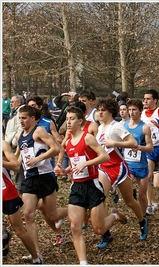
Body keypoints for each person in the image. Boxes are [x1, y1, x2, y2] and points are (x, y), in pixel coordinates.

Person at [54, 106, 127, 265]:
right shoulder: (68, 143)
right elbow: (76, 164)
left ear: (80, 121)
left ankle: (115, 215)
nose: (68, 122)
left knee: (99, 230)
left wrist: (87, 163)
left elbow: (105, 156)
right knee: (75, 227)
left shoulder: (87, 138)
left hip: (93, 185)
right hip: (77, 187)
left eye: (72, 119)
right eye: (67, 119)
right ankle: (83, 262)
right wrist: (65, 171)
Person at [95, 98, 148, 248]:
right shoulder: (100, 128)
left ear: (110, 111)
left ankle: (142, 221)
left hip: (119, 167)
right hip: (104, 168)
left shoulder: (116, 127)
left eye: (102, 110)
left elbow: (133, 143)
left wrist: (114, 143)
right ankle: (106, 234)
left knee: (129, 201)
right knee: (100, 199)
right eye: (98, 109)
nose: (99, 112)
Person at [15, 105, 61, 260]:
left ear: (33, 118)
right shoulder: (19, 136)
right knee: (28, 215)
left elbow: (56, 148)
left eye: (24, 118)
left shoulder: (39, 131)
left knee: (52, 215)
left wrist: (38, 159)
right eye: (19, 118)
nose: (21, 121)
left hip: (45, 176)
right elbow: (18, 160)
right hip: (29, 179)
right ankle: (36, 254)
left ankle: (77, 209)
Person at [2, 140, 43, 264]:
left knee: (19, 230)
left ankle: (36, 258)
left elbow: (15, 166)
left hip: (7, 193)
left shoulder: (2, 145)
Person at [124, 99, 154, 217]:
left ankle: (144, 216)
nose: (131, 112)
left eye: (134, 110)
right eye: (130, 110)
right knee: (127, 190)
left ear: (140, 111)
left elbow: (150, 147)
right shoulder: (124, 125)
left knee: (142, 195)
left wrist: (139, 147)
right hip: (128, 164)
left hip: (141, 166)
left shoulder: (144, 128)